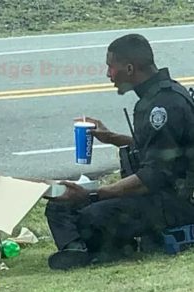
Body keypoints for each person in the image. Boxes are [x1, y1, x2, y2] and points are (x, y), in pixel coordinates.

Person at [45, 34, 194, 270]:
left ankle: (102, 249)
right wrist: (112, 138)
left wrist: (94, 194)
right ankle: (76, 250)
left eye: (110, 67)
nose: (108, 75)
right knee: (59, 204)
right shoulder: (153, 97)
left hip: (174, 201)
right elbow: (158, 149)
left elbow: (153, 177)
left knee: (91, 216)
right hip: (154, 196)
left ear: (129, 68)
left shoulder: (163, 105)